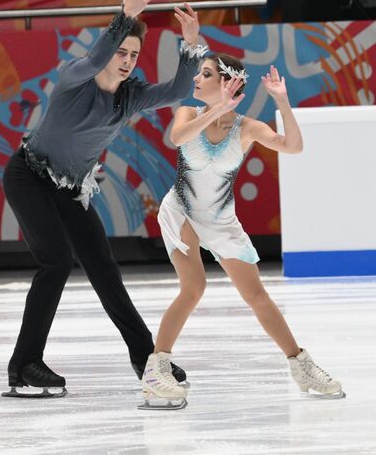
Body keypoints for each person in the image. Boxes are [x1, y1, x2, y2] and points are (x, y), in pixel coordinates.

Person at [1, 0, 207, 398]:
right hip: (28, 177)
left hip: (71, 189)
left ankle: (146, 357)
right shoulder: (76, 76)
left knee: (105, 270)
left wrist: (191, 43)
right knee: (56, 261)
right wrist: (124, 16)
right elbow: (96, 55)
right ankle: (24, 365)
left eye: (133, 54)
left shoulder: (129, 97)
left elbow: (180, 91)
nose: (127, 60)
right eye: (121, 52)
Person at [140, 54, 345, 409]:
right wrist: (216, 110)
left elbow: (294, 147)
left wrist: (282, 100)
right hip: (182, 211)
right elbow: (177, 139)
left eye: (205, 74)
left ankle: (300, 364)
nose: (196, 80)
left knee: (258, 296)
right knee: (194, 287)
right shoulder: (189, 114)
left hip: (220, 219)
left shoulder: (247, 128)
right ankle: (156, 369)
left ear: (226, 83)